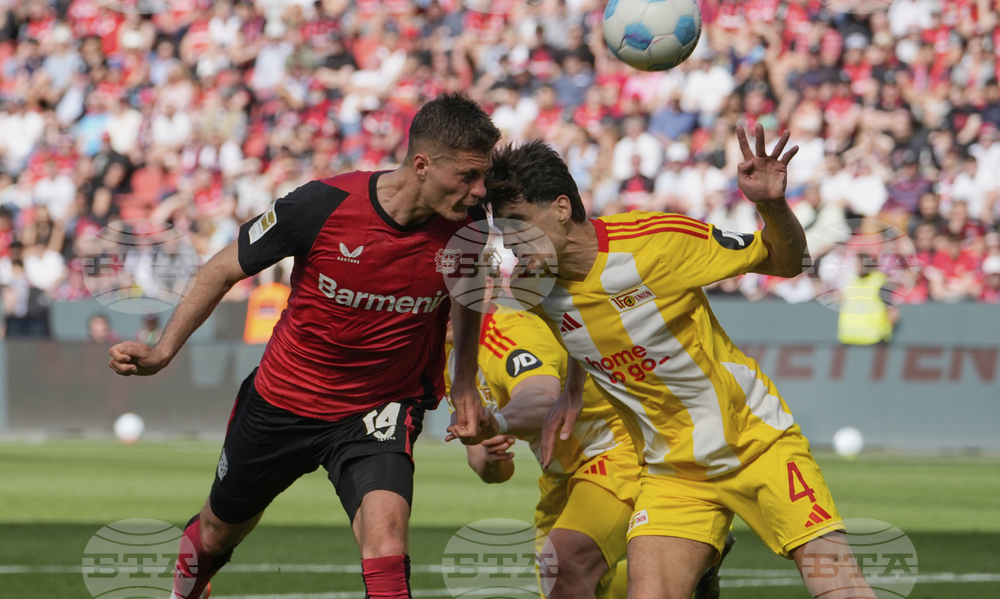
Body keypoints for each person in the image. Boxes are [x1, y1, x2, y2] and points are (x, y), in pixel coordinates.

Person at [108, 93, 501, 599]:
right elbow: (221, 268)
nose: (478, 190)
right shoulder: (321, 205)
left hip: (378, 408)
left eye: (482, 175)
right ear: (422, 165)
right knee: (216, 533)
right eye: (467, 176)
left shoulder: (470, 227)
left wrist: (463, 383)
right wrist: (163, 350)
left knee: (386, 545)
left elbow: (466, 296)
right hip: (282, 400)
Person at [481, 127, 876, 599]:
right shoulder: (534, 288)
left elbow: (787, 263)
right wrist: (570, 390)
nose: (512, 244)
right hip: (671, 473)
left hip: (756, 443)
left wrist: (770, 205)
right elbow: (581, 334)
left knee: (839, 587)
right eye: (503, 232)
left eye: (519, 223)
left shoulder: (658, 241)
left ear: (562, 208)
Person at [443, 254, 734, 599]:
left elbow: (542, 399)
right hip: (562, 472)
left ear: (487, 288)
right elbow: (488, 465)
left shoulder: (513, 330)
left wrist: (500, 421)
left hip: (618, 448)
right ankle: (689, 568)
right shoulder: (452, 358)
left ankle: (686, 561)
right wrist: (490, 457)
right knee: (576, 584)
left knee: (566, 563)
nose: (438, 305)